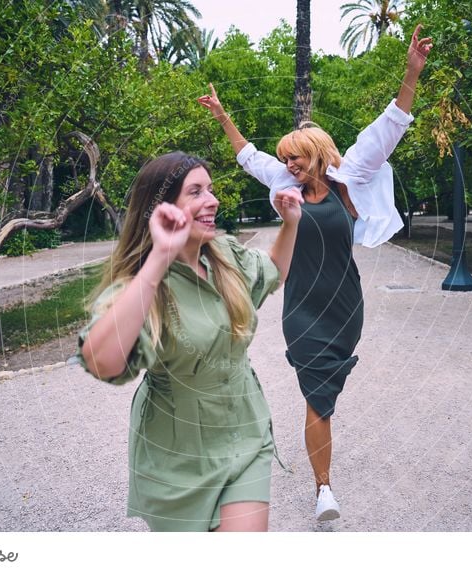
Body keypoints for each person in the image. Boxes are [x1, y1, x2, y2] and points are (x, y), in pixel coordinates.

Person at [198, 24, 432, 522]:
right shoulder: (285, 184)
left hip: (345, 305)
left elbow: (390, 126)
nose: (288, 164)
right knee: (317, 393)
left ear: (319, 155)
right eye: (285, 159)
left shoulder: (352, 181)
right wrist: (223, 117)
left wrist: (412, 73)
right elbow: (247, 157)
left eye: (296, 157)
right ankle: (323, 488)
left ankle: (321, 475)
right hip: (301, 307)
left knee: (326, 394)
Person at [77, 151, 302, 532]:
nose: (212, 200)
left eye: (210, 190)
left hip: (245, 431)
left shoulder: (225, 257)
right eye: (195, 192)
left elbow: (271, 273)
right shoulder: (143, 287)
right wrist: (159, 258)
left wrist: (290, 224)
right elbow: (103, 363)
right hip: (177, 456)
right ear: (162, 210)